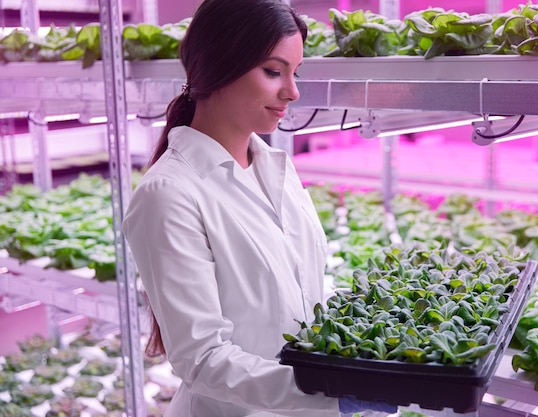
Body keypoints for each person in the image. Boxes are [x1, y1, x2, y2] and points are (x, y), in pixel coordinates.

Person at [122, 0, 398, 416]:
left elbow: (299, 298)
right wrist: (329, 393)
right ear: (220, 66)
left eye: (294, 72)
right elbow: (202, 359)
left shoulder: (276, 170)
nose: (293, 91)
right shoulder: (169, 194)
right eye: (274, 72)